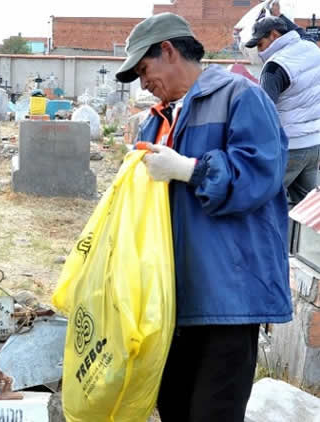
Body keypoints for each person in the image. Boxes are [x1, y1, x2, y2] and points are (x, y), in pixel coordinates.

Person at [116, 13, 292, 422]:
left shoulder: (240, 97)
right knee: (175, 408)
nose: (144, 84)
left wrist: (191, 170)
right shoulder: (157, 118)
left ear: (168, 50)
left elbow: (261, 174)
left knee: (213, 413)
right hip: (174, 299)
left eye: (144, 70)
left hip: (229, 298)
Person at [245, 16, 320, 205]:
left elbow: (264, 116)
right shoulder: (311, 48)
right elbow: (299, 32)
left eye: (260, 44)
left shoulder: (274, 67)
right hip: (314, 144)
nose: (259, 51)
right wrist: (279, 15)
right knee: (307, 207)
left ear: (274, 35)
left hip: (289, 148)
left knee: (263, 204)